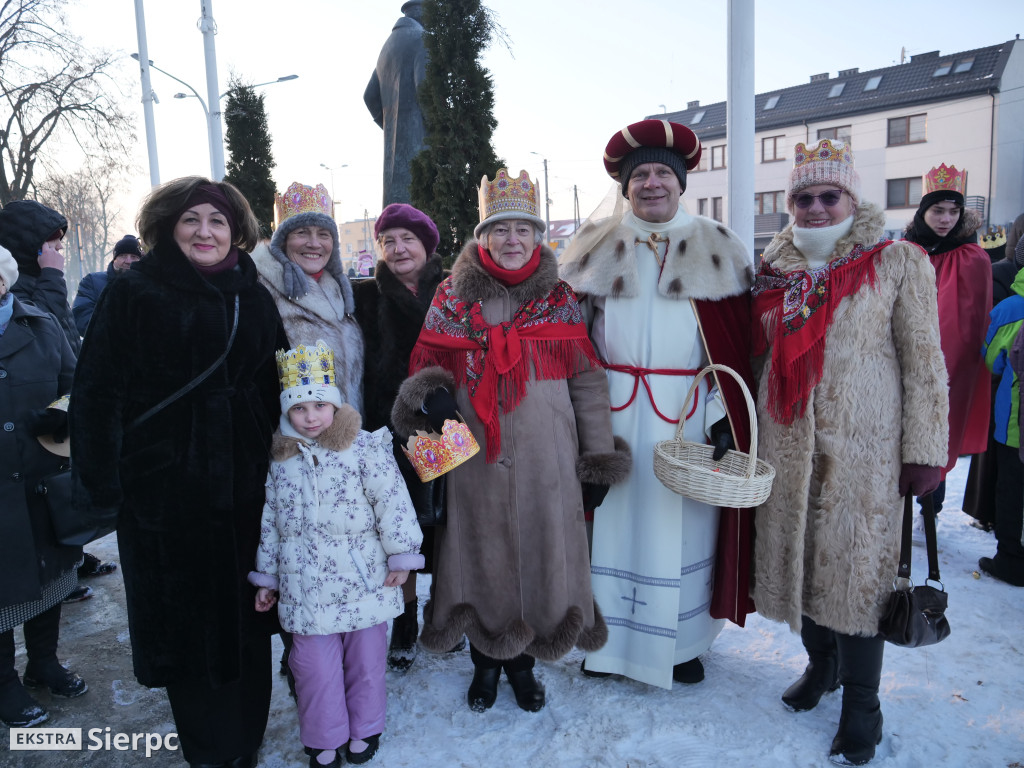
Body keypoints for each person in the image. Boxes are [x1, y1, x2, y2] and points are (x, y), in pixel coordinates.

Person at [391, 168, 630, 713]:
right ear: (482, 238)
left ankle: (523, 665)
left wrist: (596, 460)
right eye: (501, 229)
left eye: (524, 229)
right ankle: (485, 663)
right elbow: (422, 370)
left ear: (538, 237)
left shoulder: (561, 300)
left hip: (552, 462)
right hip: (473, 464)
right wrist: (433, 398)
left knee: (544, 559)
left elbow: (588, 383)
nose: (513, 239)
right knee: (480, 558)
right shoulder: (451, 298)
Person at [69, 177, 287, 768]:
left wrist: (295, 460)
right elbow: (96, 392)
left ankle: (246, 741)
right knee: (187, 628)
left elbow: (281, 385)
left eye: (218, 221)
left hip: (247, 487)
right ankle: (209, 752)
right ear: (169, 226)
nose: (205, 232)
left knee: (247, 623)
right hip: (165, 491)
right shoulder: (134, 292)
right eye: (192, 220)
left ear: (236, 232)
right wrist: (103, 485)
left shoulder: (254, 295)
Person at [751, 139, 948, 766]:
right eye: (803, 198)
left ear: (851, 198)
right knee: (799, 564)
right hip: (787, 440)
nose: (814, 207)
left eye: (827, 195)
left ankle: (863, 703)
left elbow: (925, 363)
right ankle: (822, 664)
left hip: (868, 450)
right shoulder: (774, 267)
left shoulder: (897, 261)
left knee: (858, 576)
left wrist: (926, 453)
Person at [558, 119, 756, 689]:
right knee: (609, 524)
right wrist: (579, 420)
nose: (650, 183)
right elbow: (573, 340)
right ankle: (605, 643)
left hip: (685, 412)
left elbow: (734, 348)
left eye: (661, 173)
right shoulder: (594, 247)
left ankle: (682, 644)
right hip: (612, 410)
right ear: (624, 186)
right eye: (638, 174)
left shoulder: (719, 246)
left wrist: (722, 419)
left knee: (685, 525)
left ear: (682, 181)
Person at [251, 341, 423, 767]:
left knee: (365, 664)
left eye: (319, 406)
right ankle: (324, 737)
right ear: (286, 413)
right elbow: (270, 522)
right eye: (299, 409)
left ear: (334, 405)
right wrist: (267, 578)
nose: (310, 417)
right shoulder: (280, 461)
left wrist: (401, 555)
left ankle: (365, 727)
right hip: (306, 593)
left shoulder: (363, 448)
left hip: (363, 584)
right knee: (312, 670)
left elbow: (393, 502)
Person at [352, 202, 448, 671]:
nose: (398, 247)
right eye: (388, 240)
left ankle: (447, 616)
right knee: (401, 533)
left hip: (449, 428)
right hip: (389, 433)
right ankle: (405, 620)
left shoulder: (454, 292)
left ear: (427, 246)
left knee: (451, 531)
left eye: (407, 238)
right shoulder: (365, 297)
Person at [0, 245, 87, 728]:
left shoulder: (42, 325)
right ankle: (3, 685)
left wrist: (61, 411)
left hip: (39, 479)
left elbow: (79, 385)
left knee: (49, 579)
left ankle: (43, 663)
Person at [902, 164, 992, 518]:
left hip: (953, 362)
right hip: (906, 358)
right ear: (923, 211)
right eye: (938, 210)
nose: (946, 219)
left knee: (942, 430)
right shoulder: (905, 251)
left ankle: (931, 508)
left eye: (954, 211)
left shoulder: (973, 257)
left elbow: (971, 323)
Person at [252, 182, 363, 414]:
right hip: (295, 441)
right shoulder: (260, 291)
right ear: (282, 241)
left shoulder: (340, 293)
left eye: (323, 234)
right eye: (301, 232)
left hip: (348, 440)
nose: (314, 243)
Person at [979, 262, 1024, 586]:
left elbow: (992, 359)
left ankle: (1010, 559)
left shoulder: (1011, 308)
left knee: (1012, 488)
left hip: (1015, 423)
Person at [364, 1, 427, 207]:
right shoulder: (421, 40)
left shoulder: (388, 46)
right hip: (422, 147)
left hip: (394, 154)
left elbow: (369, 96)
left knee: (396, 212)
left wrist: (392, 127)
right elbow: (427, 92)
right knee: (422, 214)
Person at [0, 199, 81, 356]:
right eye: (54, 235)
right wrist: (51, 273)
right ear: (28, 242)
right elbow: (39, 328)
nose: (60, 245)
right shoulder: (9, 283)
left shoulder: (40, 276)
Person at [72, 234, 144, 336]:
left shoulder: (147, 286)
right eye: (122, 256)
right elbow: (82, 320)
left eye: (134, 257)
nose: (128, 261)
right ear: (114, 258)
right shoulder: (92, 282)